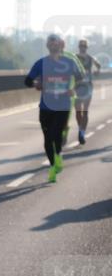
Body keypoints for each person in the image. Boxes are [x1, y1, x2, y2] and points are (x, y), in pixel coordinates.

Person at [25, 34, 85, 182]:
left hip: (63, 105)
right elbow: (27, 80)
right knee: (47, 138)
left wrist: (74, 88)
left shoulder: (69, 62)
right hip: (45, 106)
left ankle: (57, 156)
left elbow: (80, 77)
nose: (52, 44)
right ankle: (53, 165)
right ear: (47, 46)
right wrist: (36, 84)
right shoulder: (41, 63)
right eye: (50, 42)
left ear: (60, 44)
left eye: (55, 42)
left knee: (55, 134)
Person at [73, 38, 101, 145]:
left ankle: (82, 133)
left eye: (84, 46)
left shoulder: (90, 58)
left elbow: (98, 65)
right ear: (79, 47)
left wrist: (97, 71)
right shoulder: (74, 58)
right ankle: (81, 129)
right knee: (78, 112)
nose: (82, 48)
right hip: (76, 87)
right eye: (81, 46)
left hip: (88, 87)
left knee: (85, 111)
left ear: (87, 47)